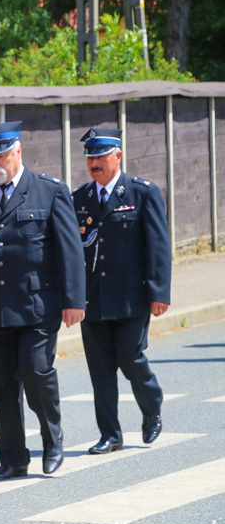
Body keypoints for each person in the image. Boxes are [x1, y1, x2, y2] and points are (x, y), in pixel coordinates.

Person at [0, 122, 85, 481]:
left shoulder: (48, 190)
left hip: (38, 305)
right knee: (3, 387)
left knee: (37, 372)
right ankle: (13, 458)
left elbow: (70, 250)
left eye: (2, 153)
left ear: (17, 152)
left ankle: (53, 441)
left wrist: (74, 300)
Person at [72, 128, 169, 454]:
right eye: (90, 157)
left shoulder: (142, 193)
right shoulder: (80, 198)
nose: (94, 163)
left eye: (100, 156)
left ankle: (152, 402)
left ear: (118, 156)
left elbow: (158, 245)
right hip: (93, 298)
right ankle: (110, 434)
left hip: (132, 297)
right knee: (100, 369)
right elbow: (71, 251)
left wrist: (159, 291)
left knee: (130, 356)